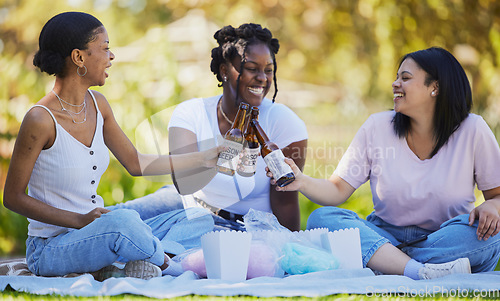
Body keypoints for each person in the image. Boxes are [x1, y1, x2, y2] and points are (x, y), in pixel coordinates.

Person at [2, 12, 218, 280]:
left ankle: (129, 257)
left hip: (99, 228)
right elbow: (12, 197)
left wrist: (205, 158)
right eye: (104, 48)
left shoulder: (98, 105)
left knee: (192, 213)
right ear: (79, 57)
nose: (112, 56)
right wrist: (79, 221)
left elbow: (136, 163)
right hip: (51, 248)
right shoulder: (40, 119)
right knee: (123, 224)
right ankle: (169, 266)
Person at [269, 47, 500, 279]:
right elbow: (338, 189)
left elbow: (497, 196)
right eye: (396, 77)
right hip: (384, 234)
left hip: (445, 237)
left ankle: (387, 263)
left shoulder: (473, 129)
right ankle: (419, 270)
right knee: (323, 218)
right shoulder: (377, 127)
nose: (395, 83)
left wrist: (492, 206)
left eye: (405, 78)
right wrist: (302, 181)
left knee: (493, 233)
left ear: (435, 87)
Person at [164, 23, 308, 231]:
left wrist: (292, 250)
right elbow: (183, 183)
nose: (262, 78)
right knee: (123, 217)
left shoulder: (285, 123)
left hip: (249, 227)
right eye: (251, 69)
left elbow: (285, 202)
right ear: (224, 71)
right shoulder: (191, 113)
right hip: (191, 211)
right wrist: (220, 157)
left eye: (269, 70)